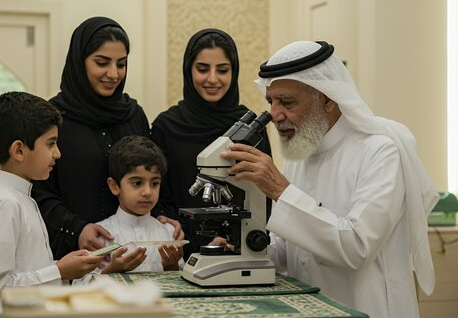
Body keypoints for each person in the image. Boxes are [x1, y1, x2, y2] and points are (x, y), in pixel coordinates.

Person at [216, 41, 439, 317]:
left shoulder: (379, 151)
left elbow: (357, 247)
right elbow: (290, 249)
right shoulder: (302, 151)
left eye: (287, 101)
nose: (274, 115)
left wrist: (281, 191)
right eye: (271, 102)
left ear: (328, 99)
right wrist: (241, 251)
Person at [32, 17, 182, 260]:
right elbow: (40, 191)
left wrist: (163, 214)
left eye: (121, 64)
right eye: (102, 63)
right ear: (79, 62)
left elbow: (151, 172)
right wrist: (77, 228)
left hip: (133, 253)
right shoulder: (54, 117)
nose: (113, 74)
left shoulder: (133, 115)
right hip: (73, 255)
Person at [151, 28, 272, 259]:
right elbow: (160, 195)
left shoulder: (251, 130)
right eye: (203, 69)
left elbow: (265, 194)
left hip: (237, 249)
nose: (213, 79)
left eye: (223, 70)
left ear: (234, 72)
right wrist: (169, 228)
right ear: (189, 70)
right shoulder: (166, 127)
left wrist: (233, 240)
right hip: (178, 249)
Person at [0, 91, 103, 298]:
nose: (58, 153)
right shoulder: (5, 203)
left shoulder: (23, 197)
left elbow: (30, 269)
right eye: (50, 143)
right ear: (19, 150)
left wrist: (72, 268)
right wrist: (59, 271)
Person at [76, 135, 184, 283]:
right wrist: (111, 271)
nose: (147, 192)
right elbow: (79, 286)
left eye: (154, 183)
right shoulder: (100, 235)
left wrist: (171, 267)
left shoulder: (168, 232)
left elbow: (184, 284)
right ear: (114, 186)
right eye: (137, 183)